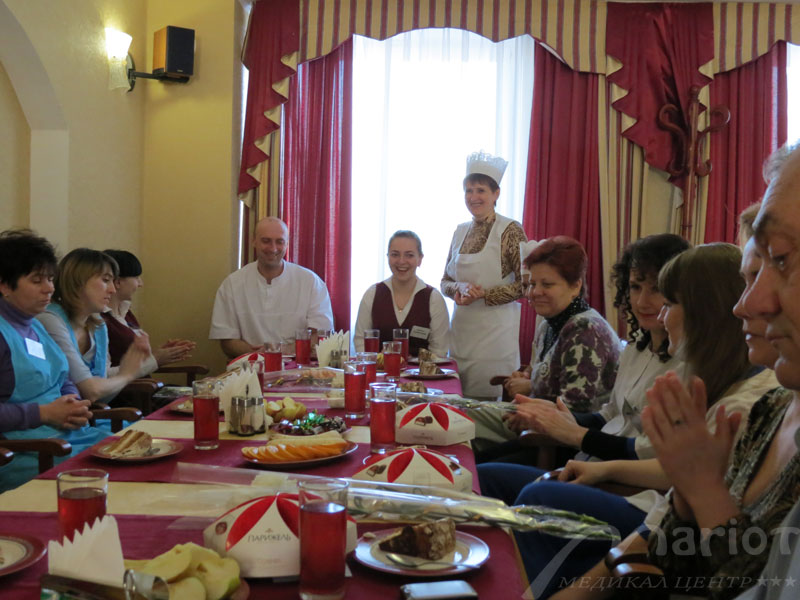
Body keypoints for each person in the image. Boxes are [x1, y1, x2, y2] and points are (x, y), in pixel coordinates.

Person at [480, 243, 779, 599]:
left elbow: (671, 491)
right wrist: (568, 427)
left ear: (706, 313)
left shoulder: (740, 400)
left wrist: (577, 438)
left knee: (535, 496)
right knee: (490, 475)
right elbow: (624, 428)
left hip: (641, 502)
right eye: (636, 287)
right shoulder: (649, 352)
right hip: (626, 488)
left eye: (667, 300)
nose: (654, 309)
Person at [471, 233, 689, 462]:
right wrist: (539, 403)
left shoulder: (586, 329)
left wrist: (550, 417)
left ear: (576, 286)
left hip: (570, 451)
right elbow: (609, 415)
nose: (642, 301)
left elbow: (584, 412)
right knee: (470, 443)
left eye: (656, 289)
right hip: (583, 452)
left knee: (470, 438)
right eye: (635, 287)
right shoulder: (636, 346)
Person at [0, 231, 109, 492]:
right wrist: (44, 413)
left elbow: (62, 377)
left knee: (134, 446)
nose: (49, 288)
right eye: (37, 280)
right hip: (25, 451)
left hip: (66, 436)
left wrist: (72, 403)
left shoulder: (35, 324)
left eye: (50, 279)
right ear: (4, 285)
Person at [441, 151, 528, 400]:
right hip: (461, 336)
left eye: (481, 190)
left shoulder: (510, 230)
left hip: (496, 341)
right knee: (458, 400)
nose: (473, 197)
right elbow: (444, 281)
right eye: (468, 191)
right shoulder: (459, 231)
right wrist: (459, 289)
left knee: (490, 407)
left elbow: (525, 285)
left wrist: (484, 295)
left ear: (496, 193)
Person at [502, 236, 621, 413]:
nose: (535, 292)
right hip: (534, 415)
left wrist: (530, 388)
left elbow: (574, 411)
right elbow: (547, 377)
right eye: (532, 284)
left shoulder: (585, 330)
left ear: (575, 286)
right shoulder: (548, 325)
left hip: (562, 427)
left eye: (547, 284)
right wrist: (529, 377)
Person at [36, 249, 151, 404]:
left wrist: (130, 367)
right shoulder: (50, 320)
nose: (113, 289)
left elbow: (101, 397)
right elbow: (91, 391)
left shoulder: (98, 325)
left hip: (89, 415)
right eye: (105, 280)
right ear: (78, 282)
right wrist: (127, 374)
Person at [210, 217, 334, 359]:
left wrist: (281, 350)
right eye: (266, 241)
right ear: (254, 241)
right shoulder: (232, 284)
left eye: (279, 241)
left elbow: (321, 335)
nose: (273, 248)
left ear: (287, 244)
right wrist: (260, 354)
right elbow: (227, 341)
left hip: (299, 365)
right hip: (250, 365)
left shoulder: (310, 281)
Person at [353, 231, 449, 357]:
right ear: (388, 257)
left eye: (409, 255)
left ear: (420, 259)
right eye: (395, 254)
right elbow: (361, 341)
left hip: (421, 370)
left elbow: (439, 351)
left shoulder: (434, 299)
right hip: (380, 369)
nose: (401, 261)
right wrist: (377, 361)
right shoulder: (372, 294)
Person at [101, 249, 195, 371]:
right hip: (132, 384)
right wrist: (155, 360)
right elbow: (104, 375)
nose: (140, 284)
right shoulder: (99, 320)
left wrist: (160, 355)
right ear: (118, 282)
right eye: (136, 278)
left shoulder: (125, 312)